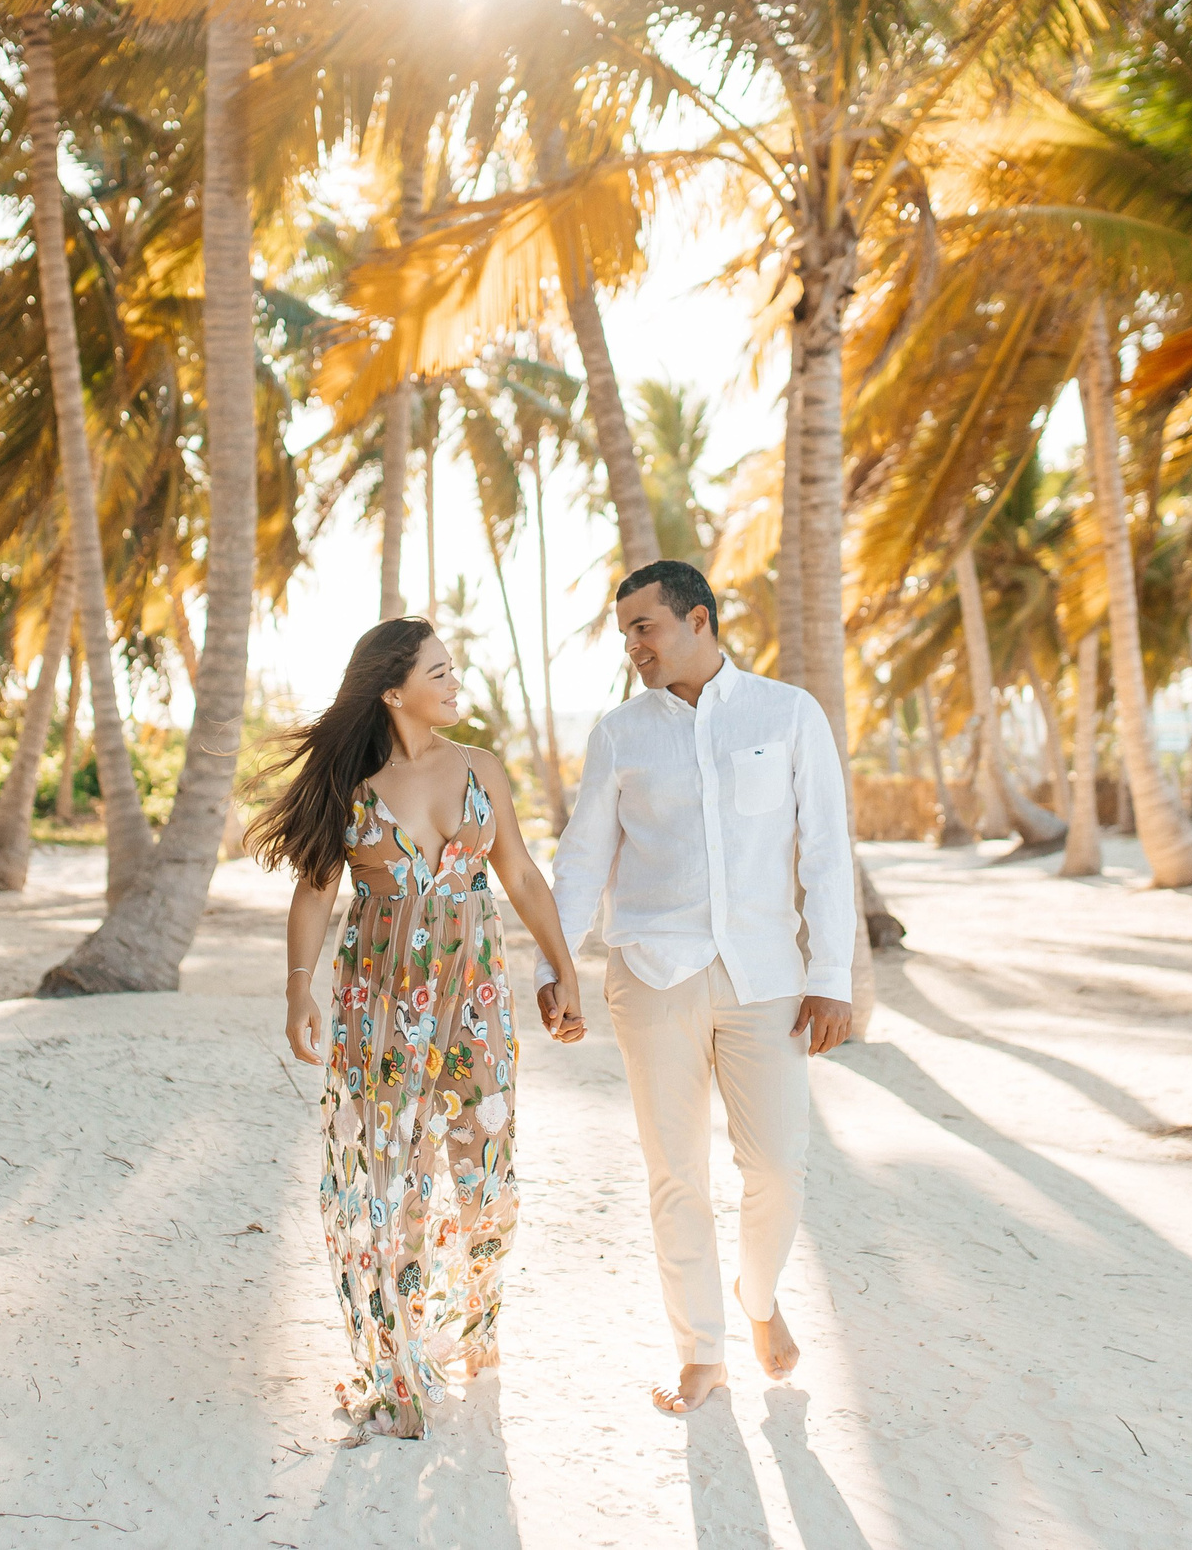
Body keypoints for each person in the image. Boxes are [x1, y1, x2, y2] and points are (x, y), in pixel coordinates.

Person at [252, 616, 586, 1438]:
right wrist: (300, 987)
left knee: (486, 1173)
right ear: (394, 691)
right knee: (387, 1180)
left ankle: (473, 1318)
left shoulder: (481, 770)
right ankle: (397, 1356)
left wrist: (563, 966)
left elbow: (520, 875)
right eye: (438, 671)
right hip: (380, 1007)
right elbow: (315, 892)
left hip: (475, 1005)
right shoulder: (353, 786)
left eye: (452, 666)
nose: (454, 680)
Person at [551, 559, 855, 1415]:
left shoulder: (787, 714)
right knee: (674, 1172)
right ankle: (702, 1350)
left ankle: (758, 1300)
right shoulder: (619, 732)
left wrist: (831, 976)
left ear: (698, 619)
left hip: (768, 977)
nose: (634, 647)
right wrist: (556, 967)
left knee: (778, 1169)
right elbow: (581, 861)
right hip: (651, 974)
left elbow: (828, 851)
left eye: (645, 627)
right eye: (626, 634)